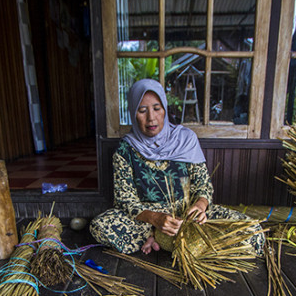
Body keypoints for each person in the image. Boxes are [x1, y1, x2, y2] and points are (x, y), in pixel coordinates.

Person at [89, 78, 264, 256]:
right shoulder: (125, 150)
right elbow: (125, 200)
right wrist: (156, 219)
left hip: (189, 216)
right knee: (101, 226)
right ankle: (183, 242)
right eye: (142, 111)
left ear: (165, 109)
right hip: (147, 220)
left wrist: (200, 207)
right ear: (133, 114)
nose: (151, 118)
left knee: (253, 233)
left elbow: (203, 186)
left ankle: (165, 240)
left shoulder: (186, 139)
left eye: (157, 108)